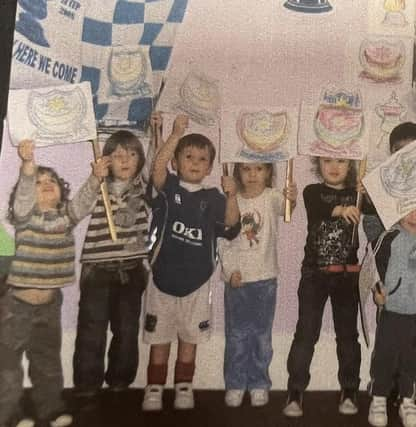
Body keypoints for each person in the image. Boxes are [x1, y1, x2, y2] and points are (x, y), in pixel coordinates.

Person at [0, 139, 108, 427]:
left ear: (61, 192)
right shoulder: (25, 218)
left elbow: (83, 203)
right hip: (16, 306)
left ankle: (49, 408)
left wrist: (96, 177)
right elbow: (22, 197)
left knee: (47, 363)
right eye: (40, 182)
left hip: (49, 305)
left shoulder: (65, 218)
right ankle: (6, 414)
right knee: (7, 367)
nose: (46, 183)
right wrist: (27, 166)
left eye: (52, 181)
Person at [141, 114, 240, 411]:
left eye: (201, 159)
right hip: (161, 280)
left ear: (210, 167)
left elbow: (232, 227)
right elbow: (156, 169)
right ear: (176, 161)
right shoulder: (169, 189)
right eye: (187, 156)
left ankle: (184, 385)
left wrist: (232, 195)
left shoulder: (214, 198)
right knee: (159, 338)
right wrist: (175, 134)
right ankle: (154, 387)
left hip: (197, 284)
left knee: (189, 337)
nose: (195, 162)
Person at [362, 121, 416, 407]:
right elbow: (371, 229)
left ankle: (414, 391)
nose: (407, 156)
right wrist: (390, 238)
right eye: (400, 151)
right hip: (393, 277)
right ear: (391, 154)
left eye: (414, 150)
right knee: (389, 338)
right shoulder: (384, 186)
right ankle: (384, 390)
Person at [283, 157, 372, 418]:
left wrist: (369, 193)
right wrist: (343, 209)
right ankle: (295, 391)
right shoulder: (313, 191)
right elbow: (319, 206)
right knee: (306, 333)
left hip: (347, 276)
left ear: (351, 165)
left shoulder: (357, 194)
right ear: (317, 164)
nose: (334, 166)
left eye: (342, 161)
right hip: (314, 275)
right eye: (327, 161)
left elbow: (382, 209)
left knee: (347, 336)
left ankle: (349, 389)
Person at [73, 129, 151, 400]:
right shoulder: (99, 187)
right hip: (97, 270)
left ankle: (120, 381)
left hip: (131, 269)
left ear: (140, 159)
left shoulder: (143, 189)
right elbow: (76, 211)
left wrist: (158, 131)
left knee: (127, 330)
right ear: (106, 160)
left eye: (132, 154)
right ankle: (86, 383)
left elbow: (156, 163)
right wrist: (95, 179)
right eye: (118, 155)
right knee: (91, 329)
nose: (126, 160)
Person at [219, 162, 297, 407]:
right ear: (237, 172)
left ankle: (259, 383)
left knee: (262, 337)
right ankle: (235, 383)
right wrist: (230, 271)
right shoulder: (231, 201)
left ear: (269, 173)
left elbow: (286, 210)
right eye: (246, 169)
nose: (253, 174)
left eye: (260, 169)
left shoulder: (271, 196)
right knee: (237, 336)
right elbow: (224, 240)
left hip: (265, 280)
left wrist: (291, 198)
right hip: (238, 281)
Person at [367, 204, 416, 427]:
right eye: (409, 210)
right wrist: (377, 291)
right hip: (392, 310)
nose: (415, 217)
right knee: (385, 355)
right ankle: (379, 398)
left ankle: (408, 400)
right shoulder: (388, 239)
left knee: (415, 358)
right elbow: (372, 265)